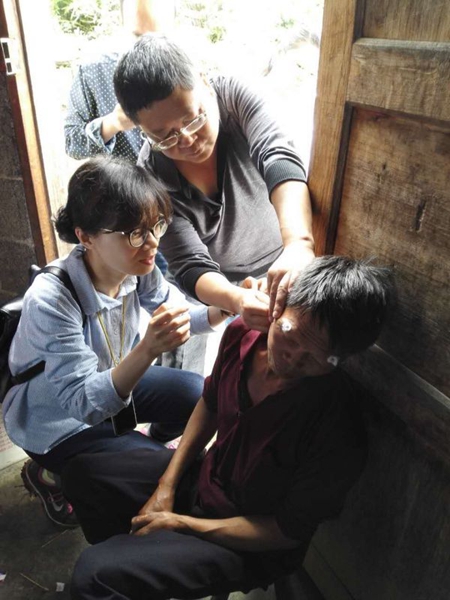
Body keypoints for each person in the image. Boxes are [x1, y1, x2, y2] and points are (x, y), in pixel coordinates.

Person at [65, 255, 394, 600]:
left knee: (93, 575)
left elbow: (286, 532)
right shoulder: (243, 334)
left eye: (317, 358)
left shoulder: (338, 428)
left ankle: (130, 568)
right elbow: (209, 404)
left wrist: (182, 525)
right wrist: (167, 485)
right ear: (278, 306)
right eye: (289, 335)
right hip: (206, 480)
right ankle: (135, 568)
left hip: (249, 543)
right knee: (82, 474)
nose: (293, 359)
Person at [3, 157, 227, 528]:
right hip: (58, 419)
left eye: (156, 225)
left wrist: (225, 307)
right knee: (158, 475)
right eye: (134, 232)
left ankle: (139, 443)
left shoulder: (139, 265)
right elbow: (82, 404)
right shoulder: (51, 299)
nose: (152, 243)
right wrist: (148, 349)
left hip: (112, 382)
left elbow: (177, 311)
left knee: (197, 394)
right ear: (86, 236)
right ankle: (50, 475)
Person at [114, 34, 316, 329]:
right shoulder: (151, 177)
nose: (187, 140)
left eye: (193, 119)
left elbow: (278, 158)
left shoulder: (235, 99)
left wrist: (299, 243)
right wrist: (237, 299)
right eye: (165, 137)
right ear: (142, 130)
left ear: (205, 84)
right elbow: (188, 262)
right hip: (229, 281)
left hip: (292, 250)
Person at [65, 1, 174, 162]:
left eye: (159, 38)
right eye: (139, 37)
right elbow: (72, 144)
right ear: (123, 25)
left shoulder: (192, 70)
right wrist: (113, 123)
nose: (150, 50)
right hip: (121, 177)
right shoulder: (93, 71)